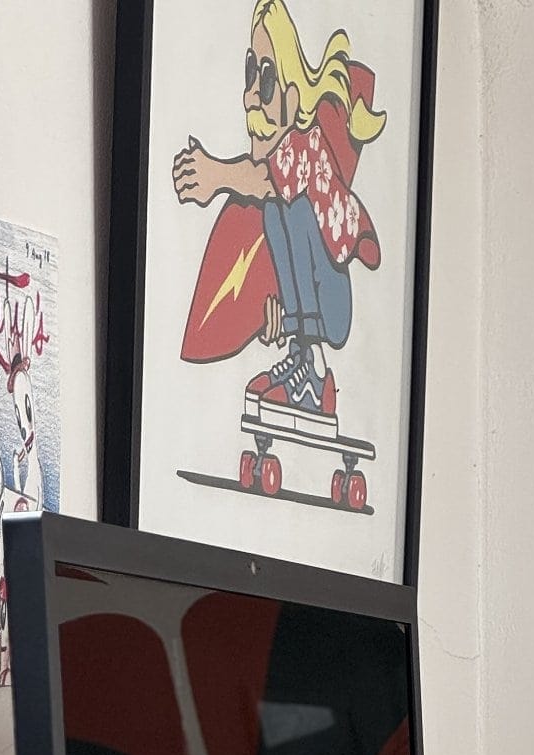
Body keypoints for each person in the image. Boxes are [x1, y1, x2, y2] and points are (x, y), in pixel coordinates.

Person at [172, 0, 384, 435]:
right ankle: (303, 358)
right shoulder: (282, 189)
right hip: (313, 302)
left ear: (290, 94)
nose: (251, 94)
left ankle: (316, 373)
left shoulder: (306, 147)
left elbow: (266, 179)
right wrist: (278, 318)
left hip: (334, 304)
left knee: (289, 208)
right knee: (276, 213)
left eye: (265, 78)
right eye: (250, 73)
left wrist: (215, 174)